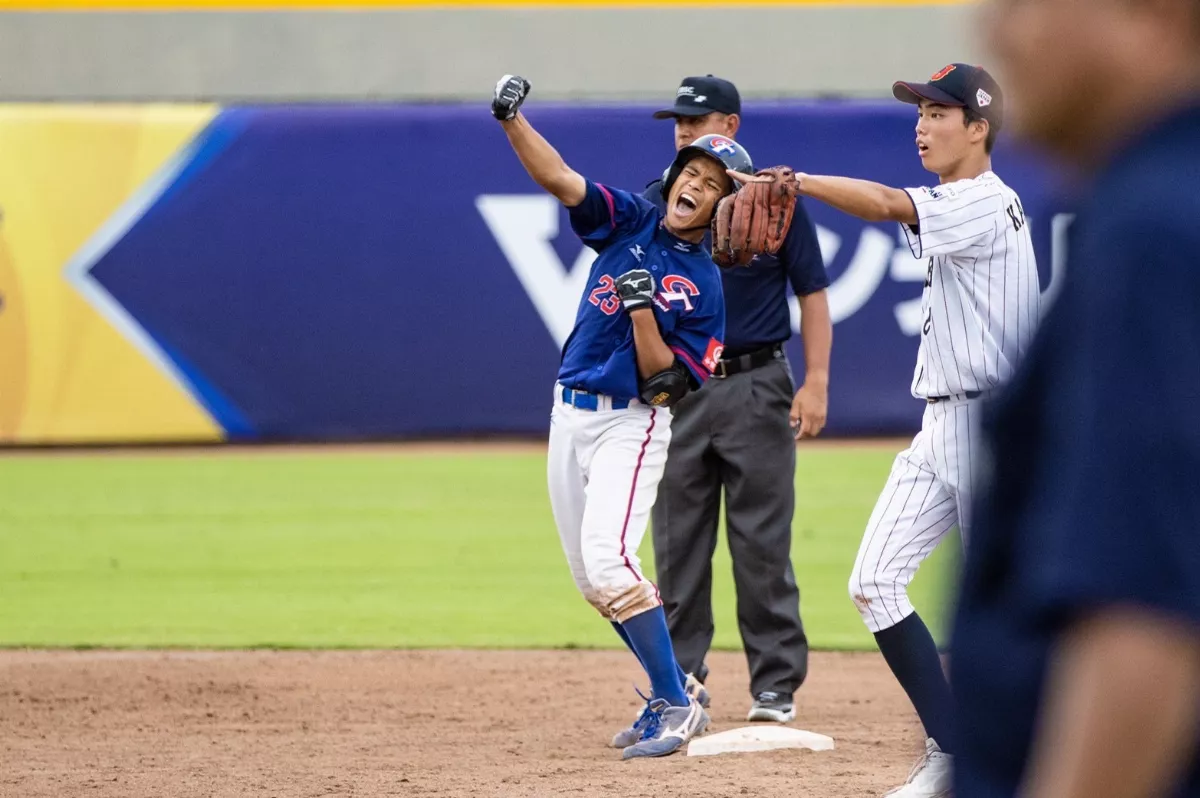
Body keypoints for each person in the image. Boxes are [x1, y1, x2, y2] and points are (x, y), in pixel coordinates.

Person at [731, 62, 1039, 796]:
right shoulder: (954, 200)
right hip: (944, 423)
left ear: (979, 127)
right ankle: (954, 749)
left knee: (1003, 614)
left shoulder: (985, 202)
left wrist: (796, 182)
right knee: (875, 581)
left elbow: (879, 202)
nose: (922, 124)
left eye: (939, 112)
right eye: (919, 112)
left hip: (989, 425)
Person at [951, 1, 1200, 796]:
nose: (999, 31)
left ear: (1155, 18)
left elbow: (1146, 619)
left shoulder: (1152, 229)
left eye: (1028, 3)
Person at [490, 74, 756, 760]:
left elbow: (665, 386)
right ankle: (678, 692)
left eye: (713, 180)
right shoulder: (631, 218)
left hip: (628, 425)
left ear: (725, 207)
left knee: (612, 567)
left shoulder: (702, 287)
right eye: (691, 168)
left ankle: (673, 699)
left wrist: (642, 313)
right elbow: (564, 181)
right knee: (591, 580)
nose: (696, 180)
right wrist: (511, 120)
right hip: (568, 412)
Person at [642, 74, 832, 724]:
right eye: (679, 123)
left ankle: (775, 685)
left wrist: (815, 381)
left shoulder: (772, 200)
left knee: (762, 543)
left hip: (757, 383)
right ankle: (680, 678)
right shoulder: (656, 203)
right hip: (679, 392)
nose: (685, 131)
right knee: (677, 543)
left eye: (697, 121)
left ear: (731, 124)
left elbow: (812, 292)